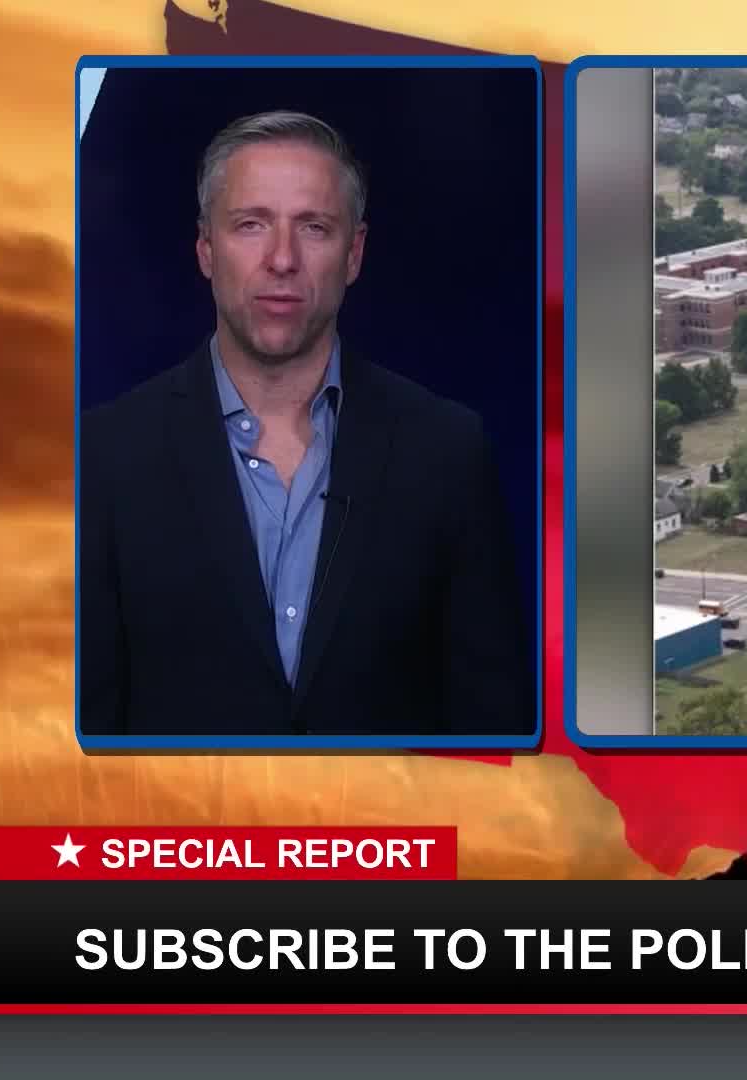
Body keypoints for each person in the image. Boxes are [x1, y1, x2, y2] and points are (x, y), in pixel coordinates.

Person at [80, 110, 531, 738]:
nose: (282, 258)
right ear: (206, 249)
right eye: (251, 225)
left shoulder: (448, 451)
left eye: (313, 227)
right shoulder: (104, 457)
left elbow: (494, 731)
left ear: (354, 253)